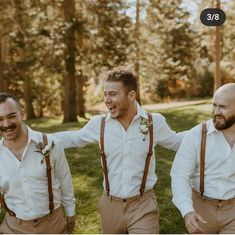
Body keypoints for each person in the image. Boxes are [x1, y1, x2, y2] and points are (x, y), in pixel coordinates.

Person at [53, 66, 184, 234]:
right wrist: (37, 138)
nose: (107, 99)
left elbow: (177, 141)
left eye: (113, 94)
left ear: (131, 95)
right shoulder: (99, 124)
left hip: (143, 205)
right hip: (110, 205)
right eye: (105, 94)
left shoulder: (153, 123)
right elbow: (73, 138)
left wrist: (208, 130)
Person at [0, 92, 76, 234]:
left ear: (21, 115)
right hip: (14, 227)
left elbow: (64, 179)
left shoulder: (51, 144)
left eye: (11, 116)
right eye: (0, 119)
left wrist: (70, 212)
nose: (6, 124)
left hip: (52, 224)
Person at [170, 83, 235, 234]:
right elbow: (179, 175)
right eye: (214, 105)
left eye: (223, 107)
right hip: (201, 210)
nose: (216, 112)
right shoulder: (196, 135)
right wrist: (187, 211)